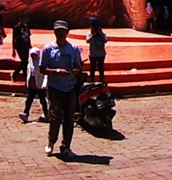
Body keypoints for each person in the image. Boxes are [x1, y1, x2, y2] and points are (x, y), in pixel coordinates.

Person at [39, 20, 83, 159]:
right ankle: (51, 141)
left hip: (70, 87)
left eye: (63, 30)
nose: (61, 33)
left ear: (67, 32)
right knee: (55, 117)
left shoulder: (73, 48)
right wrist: (57, 71)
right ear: (54, 32)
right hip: (55, 88)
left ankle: (66, 146)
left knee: (69, 119)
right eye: (58, 30)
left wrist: (76, 70)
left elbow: (79, 66)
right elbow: (42, 69)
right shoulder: (47, 49)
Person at [19, 47, 48, 123]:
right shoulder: (30, 62)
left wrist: (44, 84)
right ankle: (26, 113)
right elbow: (29, 73)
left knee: (43, 101)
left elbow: (45, 75)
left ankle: (46, 114)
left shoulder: (41, 63)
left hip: (39, 84)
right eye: (32, 55)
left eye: (34, 55)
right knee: (29, 100)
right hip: (32, 84)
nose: (33, 56)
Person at [86, 17, 108, 83]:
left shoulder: (102, 34)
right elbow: (87, 41)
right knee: (92, 68)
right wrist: (93, 35)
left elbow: (105, 40)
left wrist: (99, 34)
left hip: (101, 54)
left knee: (101, 68)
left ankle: (101, 81)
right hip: (92, 54)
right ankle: (92, 81)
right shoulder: (89, 34)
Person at [11, 16, 31, 82]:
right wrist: (13, 50)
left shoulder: (27, 27)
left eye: (26, 19)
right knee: (24, 61)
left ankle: (20, 76)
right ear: (21, 19)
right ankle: (16, 74)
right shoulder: (16, 27)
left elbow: (28, 36)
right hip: (19, 46)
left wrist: (30, 45)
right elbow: (14, 39)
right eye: (25, 19)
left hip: (26, 46)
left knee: (25, 62)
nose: (26, 21)